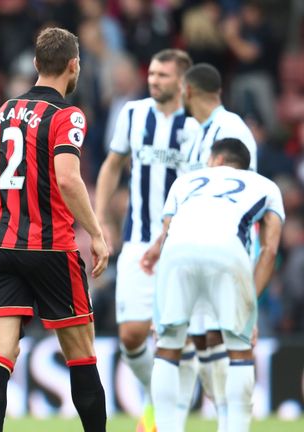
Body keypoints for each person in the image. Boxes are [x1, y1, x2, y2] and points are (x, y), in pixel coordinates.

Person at [0, 27, 108, 432]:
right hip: (51, 247)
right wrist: (98, 234)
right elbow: (68, 179)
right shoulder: (67, 115)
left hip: (0, 245)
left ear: (35, 65)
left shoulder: (3, 112)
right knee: (81, 356)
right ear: (74, 66)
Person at [140, 138, 283, 432]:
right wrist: (249, 305)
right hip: (228, 251)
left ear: (215, 160)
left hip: (177, 252)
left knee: (168, 347)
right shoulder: (265, 185)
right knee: (239, 350)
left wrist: (160, 305)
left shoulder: (185, 181)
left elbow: (167, 234)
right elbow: (269, 250)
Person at [94, 49, 197, 431]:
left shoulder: (198, 122)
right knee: (131, 336)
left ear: (183, 82)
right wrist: (101, 219)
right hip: (139, 239)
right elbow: (112, 166)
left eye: (164, 75)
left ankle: (163, 416)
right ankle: (157, 398)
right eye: (152, 73)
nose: (154, 80)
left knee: (175, 336)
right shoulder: (133, 114)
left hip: (185, 243)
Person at [180, 62, 259, 429]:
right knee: (201, 338)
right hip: (198, 249)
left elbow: (247, 195)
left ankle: (235, 418)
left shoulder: (231, 130)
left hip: (226, 249)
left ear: (189, 91)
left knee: (224, 336)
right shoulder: (199, 132)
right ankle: (227, 415)